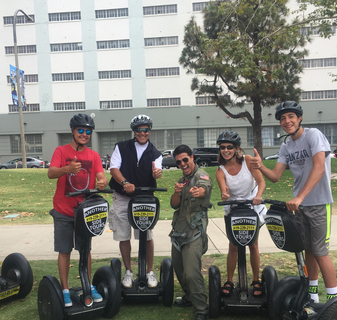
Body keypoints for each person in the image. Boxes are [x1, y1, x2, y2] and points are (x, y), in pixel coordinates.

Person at [250, 101, 337, 303]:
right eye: (282, 118)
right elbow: (275, 176)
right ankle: (313, 296)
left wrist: (300, 196)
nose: (286, 121)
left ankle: (334, 299)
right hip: (300, 207)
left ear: (300, 118)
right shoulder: (287, 146)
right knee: (309, 249)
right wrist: (260, 166)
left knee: (321, 252)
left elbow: (319, 167)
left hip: (319, 202)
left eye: (290, 116)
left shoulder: (313, 135)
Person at [48, 113, 107, 307]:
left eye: (88, 131)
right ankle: (65, 290)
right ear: (72, 131)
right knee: (64, 251)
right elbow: (51, 173)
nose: (84, 134)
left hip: (85, 212)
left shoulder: (93, 155)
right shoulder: (61, 151)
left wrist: (101, 181)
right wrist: (67, 169)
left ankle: (87, 285)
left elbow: (100, 175)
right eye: (80, 130)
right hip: (63, 210)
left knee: (85, 251)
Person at [108, 115, 163, 289]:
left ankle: (148, 272)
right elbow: (114, 168)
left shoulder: (155, 153)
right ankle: (129, 271)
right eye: (139, 129)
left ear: (150, 131)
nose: (142, 133)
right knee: (124, 236)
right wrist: (125, 183)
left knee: (146, 236)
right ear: (134, 131)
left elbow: (157, 169)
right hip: (123, 198)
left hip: (144, 199)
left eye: (146, 129)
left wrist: (156, 174)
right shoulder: (122, 147)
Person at [215, 131, 267, 297]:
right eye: (223, 147)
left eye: (229, 147)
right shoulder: (220, 170)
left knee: (253, 244)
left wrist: (258, 196)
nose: (226, 150)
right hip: (233, 209)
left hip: (252, 207)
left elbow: (261, 182)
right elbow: (224, 189)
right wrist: (224, 194)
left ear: (236, 148)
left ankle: (256, 279)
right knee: (233, 246)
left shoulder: (248, 161)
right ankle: (230, 280)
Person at [170, 144, 213, 320]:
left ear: (192, 157)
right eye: (179, 162)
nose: (183, 164)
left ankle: (202, 309)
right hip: (179, 231)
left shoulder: (200, 175)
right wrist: (177, 192)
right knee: (179, 269)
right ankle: (189, 297)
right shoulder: (181, 180)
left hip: (194, 231)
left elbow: (205, 187)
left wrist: (199, 191)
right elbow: (174, 205)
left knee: (191, 272)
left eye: (185, 160)